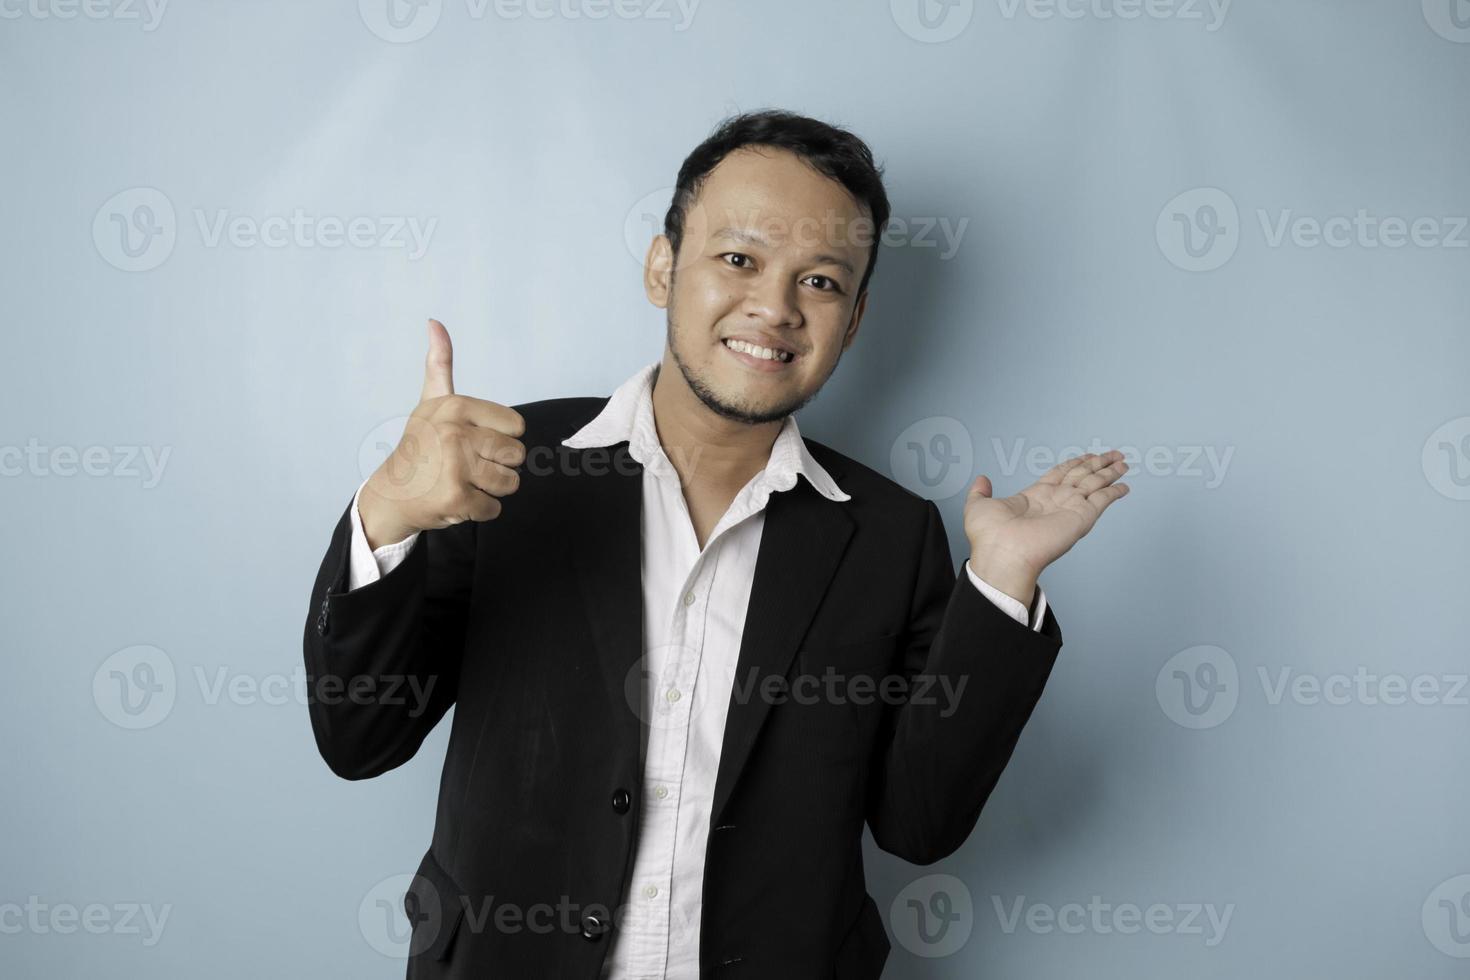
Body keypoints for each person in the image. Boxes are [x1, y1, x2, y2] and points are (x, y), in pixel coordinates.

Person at [303, 108, 1130, 979]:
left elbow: (919, 824)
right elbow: (360, 738)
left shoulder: (891, 535)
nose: (773, 308)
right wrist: (389, 511)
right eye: (738, 259)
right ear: (663, 267)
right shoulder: (505, 471)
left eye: (820, 281)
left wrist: (1000, 581)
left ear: (852, 321)